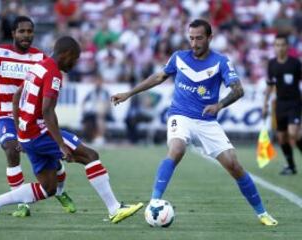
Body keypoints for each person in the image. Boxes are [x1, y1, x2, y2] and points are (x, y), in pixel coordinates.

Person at [111, 19, 278, 226]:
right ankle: (154, 201)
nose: (194, 43)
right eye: (191, 38)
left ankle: (262, 213)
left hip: (207, 121)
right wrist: (129, 93)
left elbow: (238, 90)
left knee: (234, 166)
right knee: (177, 149)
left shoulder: (221, 62)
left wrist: (219, 105)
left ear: (210, 38)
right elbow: (157, 77)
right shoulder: (179, 57)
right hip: (180, 116)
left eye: (199, 38)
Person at [0, 36, 143, 228]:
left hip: (27, 134)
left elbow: (17, 97)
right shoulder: (53, 73)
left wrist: (20, 131)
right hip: (39, 132)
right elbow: (47, 110)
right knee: (90, 155)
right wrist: (60, 143)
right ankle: (115, 209)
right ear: (66, 54)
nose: (75, 64)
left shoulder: (38, 66)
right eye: (75, 59)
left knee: (48, 187)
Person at [0, 16, 76, 217]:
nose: (26, 35)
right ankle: (22, 204)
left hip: (32, 117)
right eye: (21, 31)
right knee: (12, 149)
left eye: (30, 32)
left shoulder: (40, 58)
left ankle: (60, 191)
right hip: (5, 114)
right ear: (13, 33)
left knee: (52, 160)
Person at [262, 33, 302, 175]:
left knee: (294, 134)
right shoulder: (272, 64)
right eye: (277, 45)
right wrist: (265, 104)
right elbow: (269, 85)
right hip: (280, 104)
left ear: (287, 46)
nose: (280, 48)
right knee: (281, 137)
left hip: (294, 103)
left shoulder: (295, 63)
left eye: (282, 45)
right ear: (274, 47)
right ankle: (291, 166)